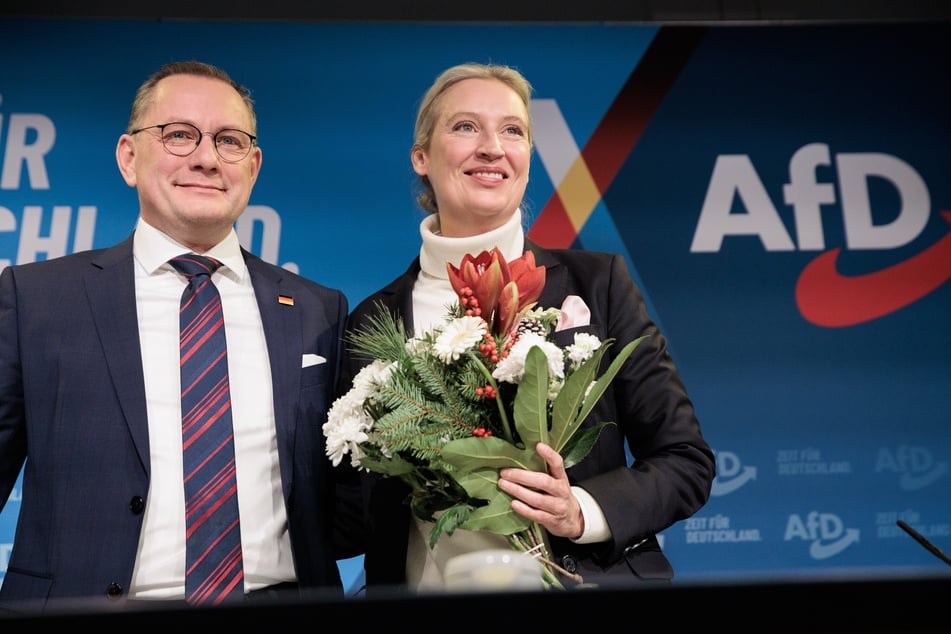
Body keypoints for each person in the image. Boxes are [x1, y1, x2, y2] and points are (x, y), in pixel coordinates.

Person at [336, 62, 716, 593]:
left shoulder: (598, 284)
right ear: (421, 157)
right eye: (465, 127)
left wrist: (580, 510)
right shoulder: (372, 320)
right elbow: (349, 510)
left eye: (512, 131)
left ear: (528, 159)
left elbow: (686, 461)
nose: (492, 147)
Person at [0, 60, 355, 611]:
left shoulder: (317, 310)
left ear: (253, 166)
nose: (206, 158)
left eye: (229, 141)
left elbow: (349, 498)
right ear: (128, 157)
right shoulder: (37, 298)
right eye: (178, 135)